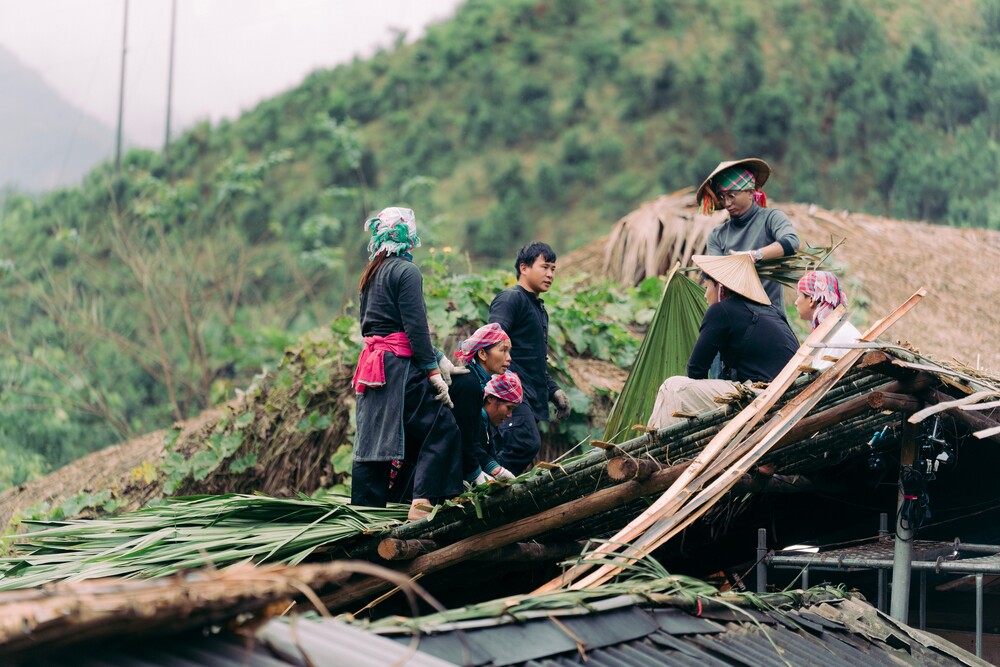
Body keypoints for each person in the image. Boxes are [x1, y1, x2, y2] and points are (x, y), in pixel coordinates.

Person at [350, 206, 463, 521]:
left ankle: (364, 516)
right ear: (409, 237)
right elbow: (414, 327)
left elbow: (382, 326)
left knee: (375, 443)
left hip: (373, 369)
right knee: (440, 429)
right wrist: (432, 372)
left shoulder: (371, 274)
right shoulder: (406, 271)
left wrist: (439, 357)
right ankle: (421, 502)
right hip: (398, 369)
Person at [647, 253, 799, 429]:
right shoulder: (773, 312)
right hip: (789, 394)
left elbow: (696, 371)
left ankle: (658, 450)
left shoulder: (721, 311)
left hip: (763, 396)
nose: (705, 295)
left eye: (707, 287)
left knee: (672, 387)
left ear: (720, 288)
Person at [488, 242, 569, 474]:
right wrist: (500, 384)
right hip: (508, 390)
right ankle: (482, 490)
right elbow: (493, 340)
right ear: (524, 268)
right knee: (524, 442)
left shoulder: (538, 308)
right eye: (544, 267)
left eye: (553, 269)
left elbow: (533, 358)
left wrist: (553, 391)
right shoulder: (510, 299)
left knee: (523, 446)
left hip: (529, 392)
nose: (550, 274)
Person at [696, 158, 801, 313]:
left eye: (732, 195)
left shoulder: (771, 218)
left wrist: (754, 255)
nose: (726, 203)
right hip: (734, 315)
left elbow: (791, 242)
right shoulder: (717, 235)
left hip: (770, 314)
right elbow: (716, 277)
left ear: (751, 193)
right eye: (722, 197)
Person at [451, 323, 519, 484]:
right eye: (503, 350)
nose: (508, 357)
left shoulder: (476, 384)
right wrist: (476, 476)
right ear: (482, 353)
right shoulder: (468, 384)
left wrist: (495, 469)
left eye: (509, 351)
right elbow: (462, 437)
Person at [794, 270, 862, 370]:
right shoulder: (834, 326)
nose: (796, 302)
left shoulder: (833, 332)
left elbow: (822, 380)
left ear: (811, 300)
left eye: (798, 296)